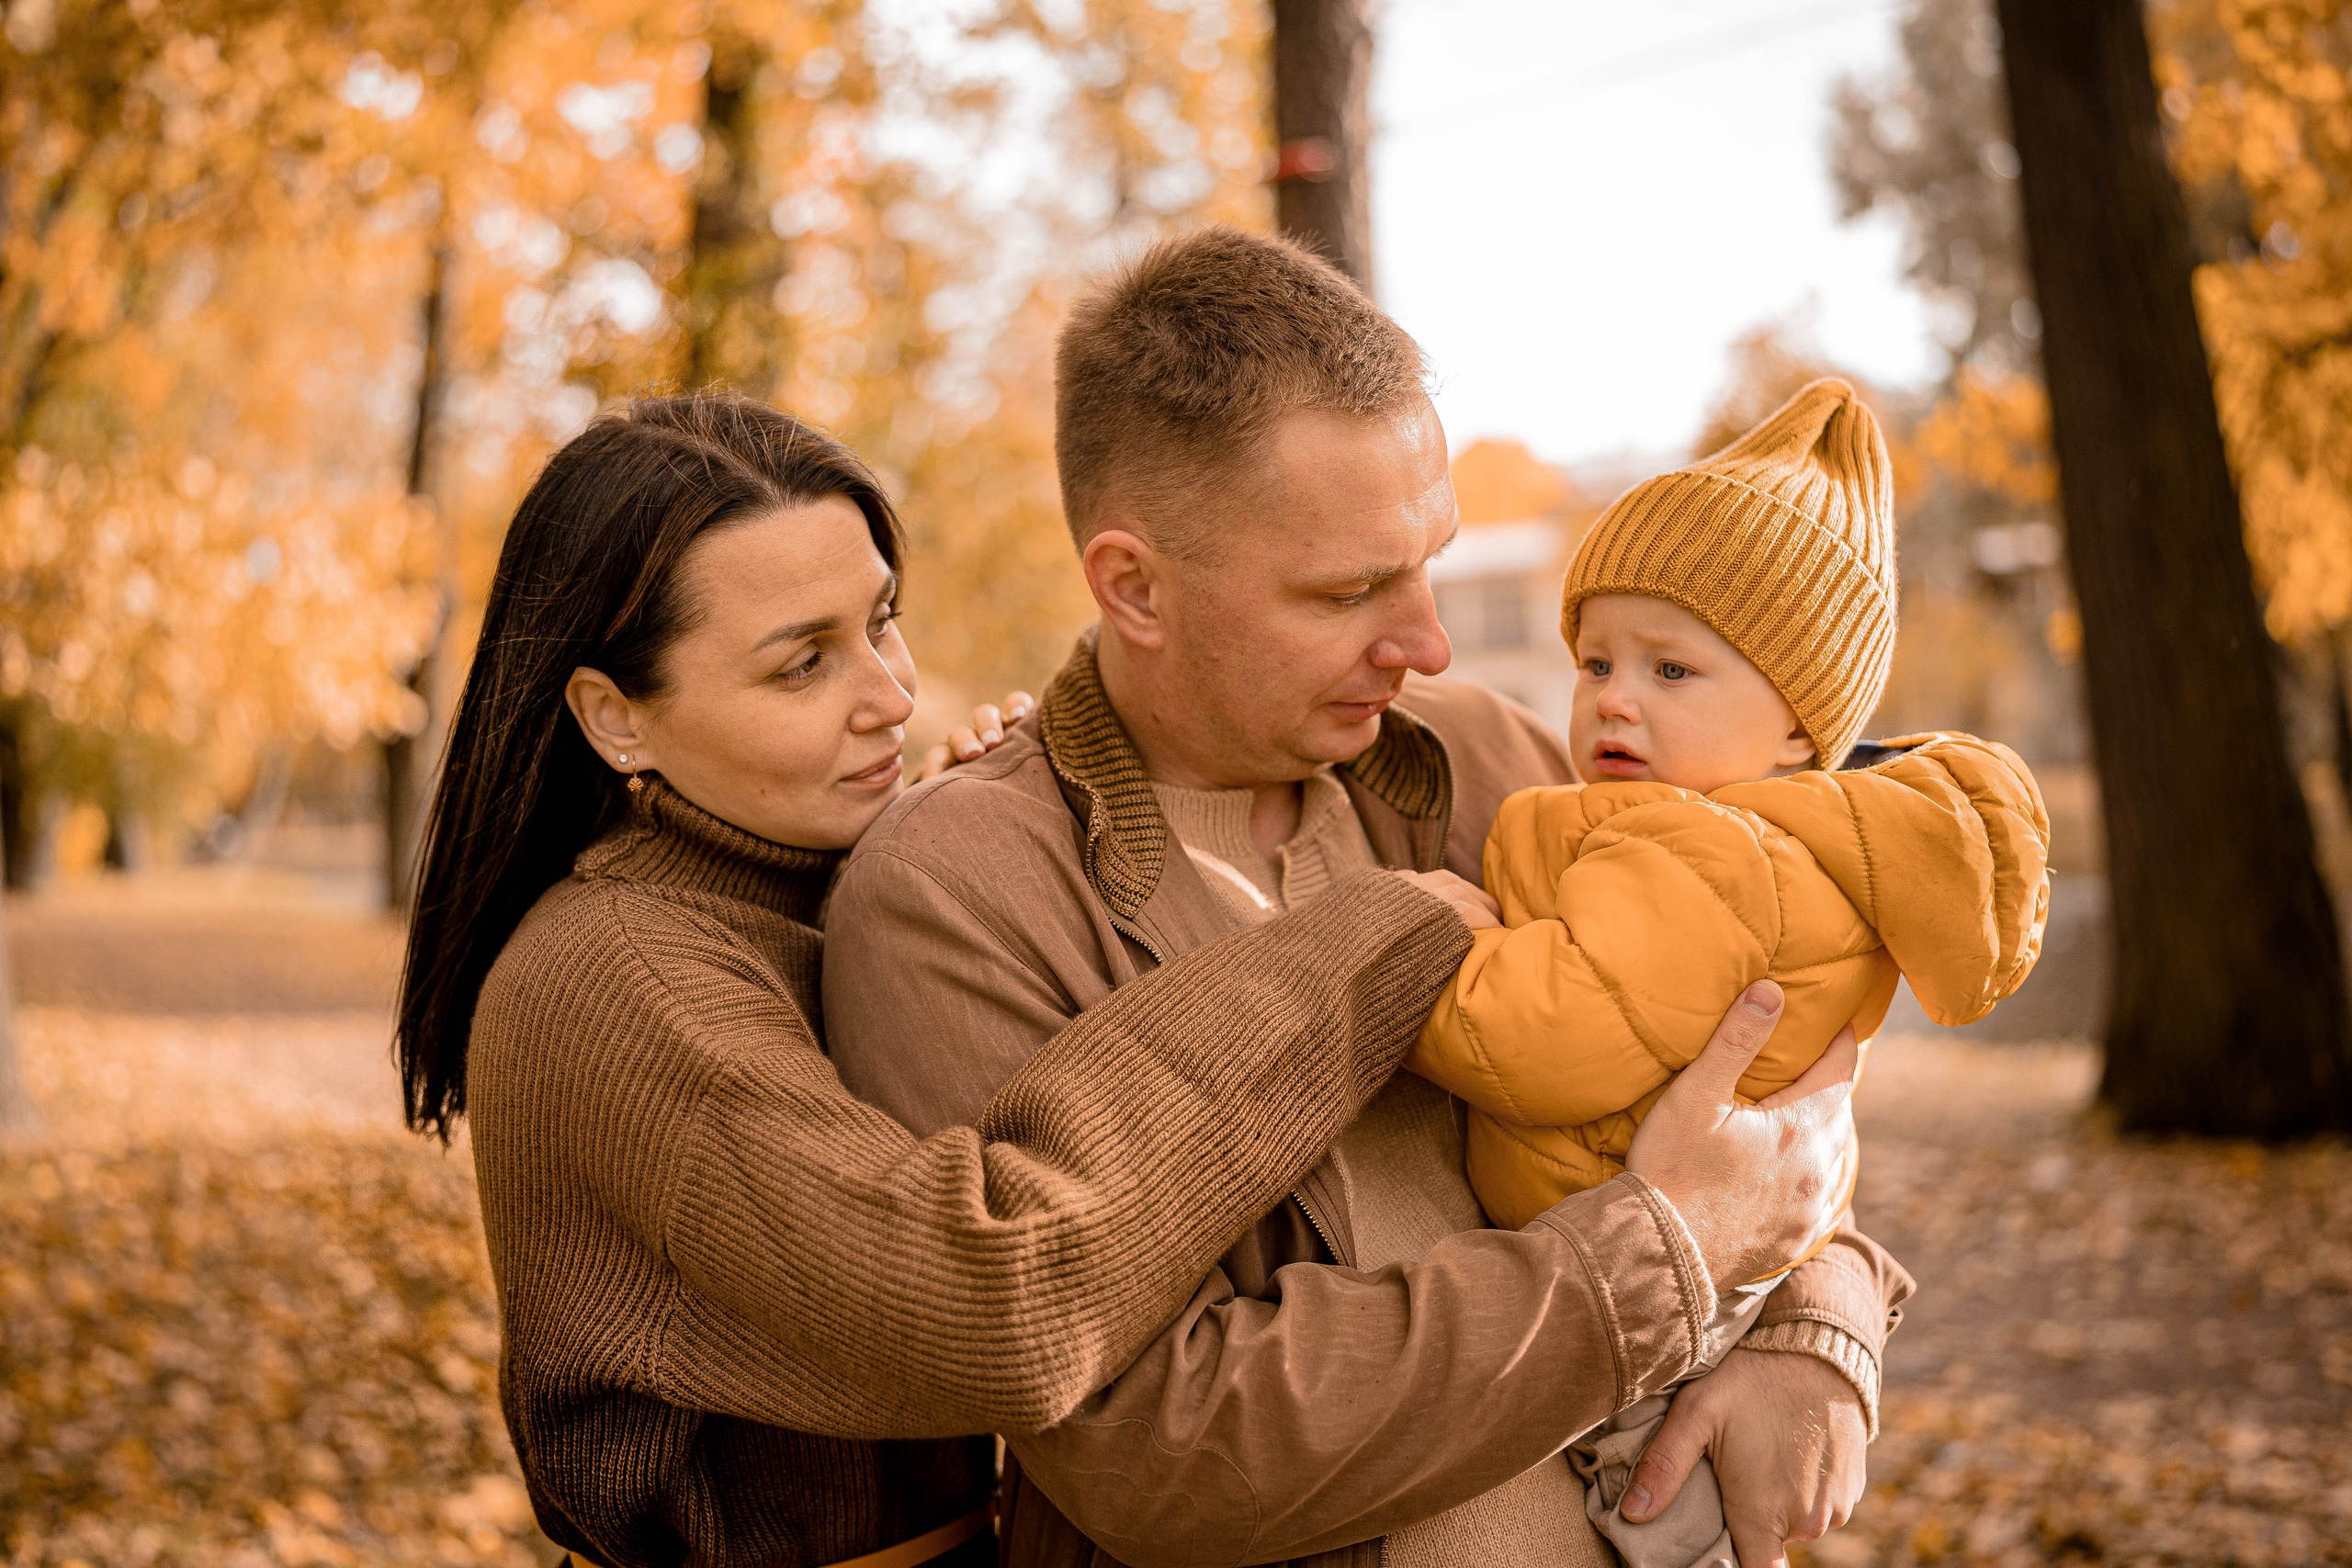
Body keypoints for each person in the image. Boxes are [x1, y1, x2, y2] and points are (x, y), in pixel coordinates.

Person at [822, 227, 1912, 1568]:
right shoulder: (959, 897)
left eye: (1428, 560)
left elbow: (1768, 1077)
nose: (1430, 641)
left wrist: (1822, 1317)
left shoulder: (1496, 762)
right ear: (1133, 585)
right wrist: (1653, 1261)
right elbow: (1154, 1443)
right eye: (1350, 591)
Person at [390, 392, 1536, 1568]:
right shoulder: (618, 982)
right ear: (613, 718)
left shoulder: (808, 884)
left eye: (881, 623)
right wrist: (1363, 951)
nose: (889, 692)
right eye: (803, 667)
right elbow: (998, 1303)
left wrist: (972, 841)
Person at [1409, 377, 2052, 1568]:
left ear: (1801, 726)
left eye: (1671, 672)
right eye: (1595, 658)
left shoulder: (1708, 855)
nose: (1611, 698)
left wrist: (1435, 947)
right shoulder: (1758, 840)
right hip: (1660, 1281)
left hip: (1648, 1332)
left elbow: (1549, 1033)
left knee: (1661, 1518)